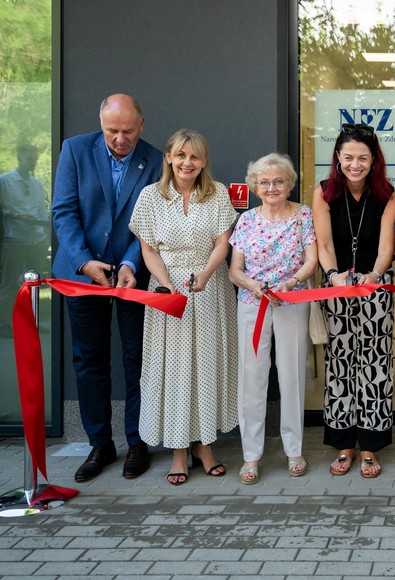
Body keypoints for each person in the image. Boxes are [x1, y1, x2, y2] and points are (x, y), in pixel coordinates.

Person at [51, 94, 162, 482]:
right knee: (89, 359)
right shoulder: (75, 150)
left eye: (127, 131)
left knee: (138, 359)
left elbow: (150, 221)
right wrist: (84, 261)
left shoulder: (155, 159)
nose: (119, 138)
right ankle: (100, 443)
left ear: (141, 125)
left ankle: (137, 441)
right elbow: (63, 211)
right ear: (101, 124)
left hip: (134, 275)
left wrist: (131, 263)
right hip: (81, 273)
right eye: (112, 131)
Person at [129, 129, 238, 486]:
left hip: (210, 286)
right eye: (180, 156)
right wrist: (167, 284)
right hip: (166, 288)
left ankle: (204, 445)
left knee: (206, 366)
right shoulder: (150, 197)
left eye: (194, 156)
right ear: (169, 158)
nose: (187, 163)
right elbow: (148, 249)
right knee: (173, 370)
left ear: (204, 160)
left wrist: (206, 274)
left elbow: (224, 243)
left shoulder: (218, 193)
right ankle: (178, 450)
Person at [313, 124, 395, 478]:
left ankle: (371, 447)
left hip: (376, 286)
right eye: (348, 157)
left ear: (374, 159)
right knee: (340, 364)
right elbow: (324, 244)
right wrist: (334, 275)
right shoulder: (323, 193)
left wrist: (374, 276)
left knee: (375, 365)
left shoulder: (388, 194)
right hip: (337, 284)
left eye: (363, 157)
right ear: (337, 158)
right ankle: (344, 444)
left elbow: (386, 248)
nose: (355, 164)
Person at [229, 152, 317, 484]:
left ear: (290, 183)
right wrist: (253, 284)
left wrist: (291, 282)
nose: (272, 187)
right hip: (253, 302)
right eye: (264, 182)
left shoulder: (303, 215)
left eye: (279, 181)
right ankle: (251, 456)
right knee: (253, 376)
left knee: (292, 374)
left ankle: (294, 449)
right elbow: (235, 270)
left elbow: (312, 260)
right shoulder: (248, 220)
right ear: (254, 186)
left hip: (291, 300)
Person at [0, 143, 51, 335]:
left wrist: (45, 231)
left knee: (32, 282)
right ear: (19, 158)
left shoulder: (36, 183)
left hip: (36, 239)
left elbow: (40, 209)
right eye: (30, 158)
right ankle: (5, 323)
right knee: (9, 282)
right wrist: (16, 216)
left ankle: (31, 322)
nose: (34, 162)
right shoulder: (5, 181)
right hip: (14, 238)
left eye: (35, 158)